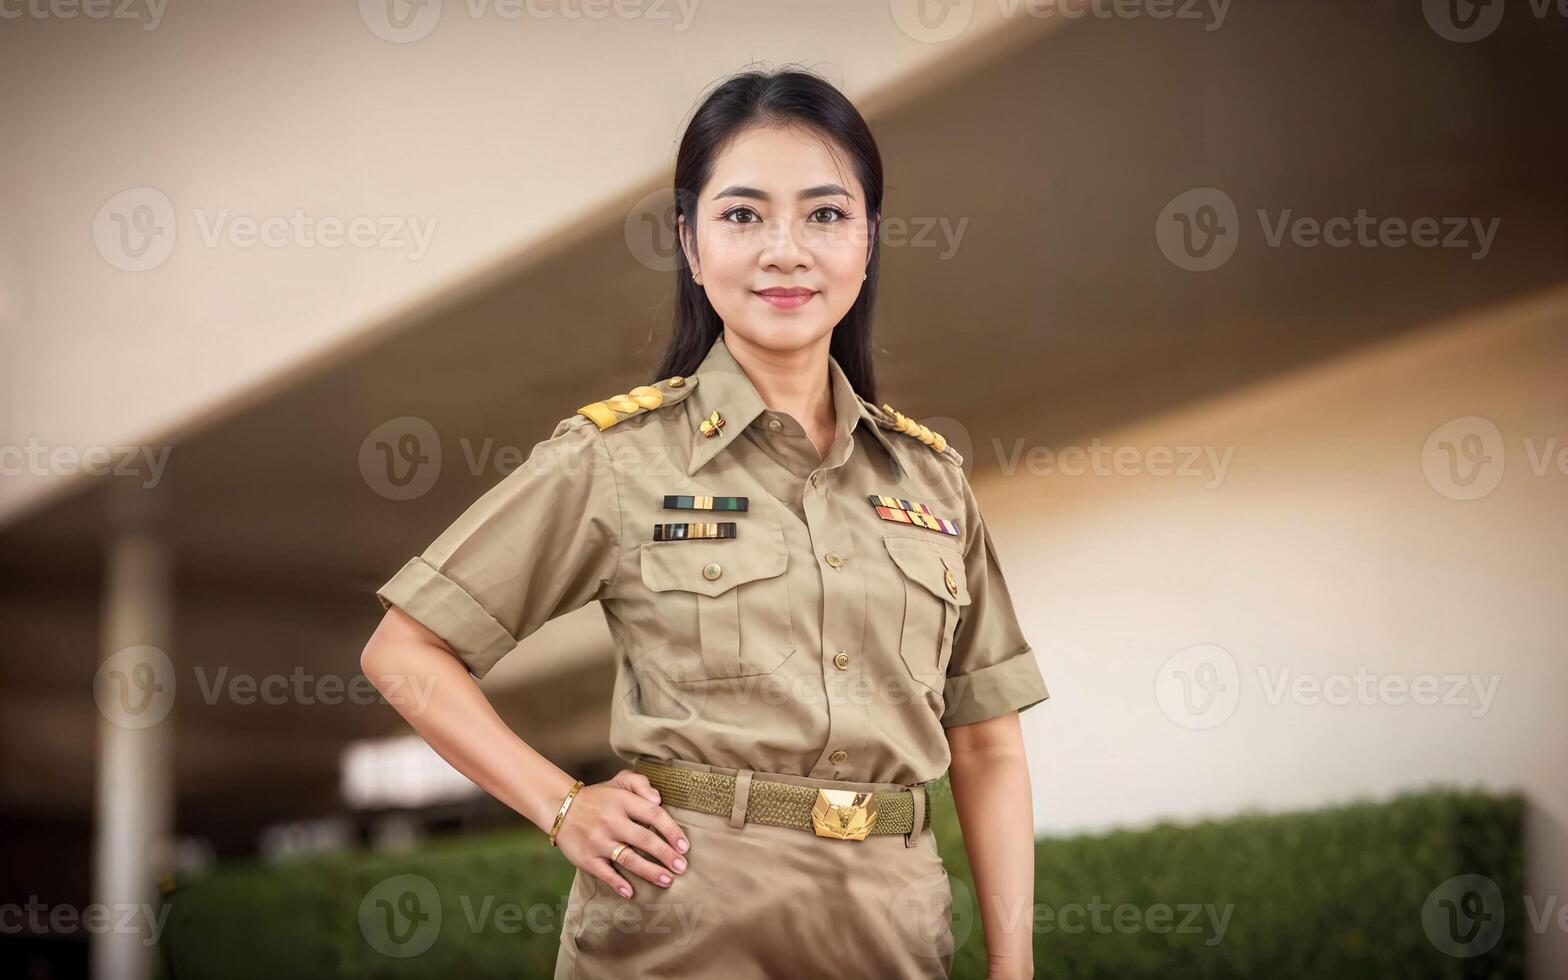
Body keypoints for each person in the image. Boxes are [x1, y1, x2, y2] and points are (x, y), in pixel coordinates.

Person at [360, 67, 1049, 980]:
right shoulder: (618, 458)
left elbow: (989, 745)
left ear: (870, 241)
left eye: (825, 214)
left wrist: (1012, 965)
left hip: (893, 933)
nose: (786, 250)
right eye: (742, 215)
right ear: (689, 243)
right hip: (681, 932)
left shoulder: (932, 480)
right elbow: (404, 653)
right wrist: (562, 806)